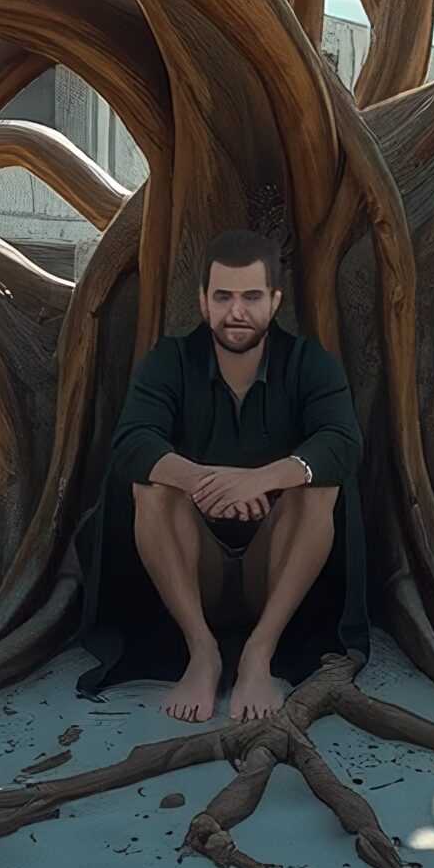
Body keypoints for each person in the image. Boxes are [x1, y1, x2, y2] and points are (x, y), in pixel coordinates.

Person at [70, 228, 368, 723]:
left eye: (252, 296)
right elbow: (130, 441)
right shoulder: (169, 360)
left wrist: (264, 479)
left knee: (318, 487)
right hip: (190, 568)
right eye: (224, 296)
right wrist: (199, 482)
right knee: (151, 485)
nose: (237, 311)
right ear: (203, 301)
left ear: (275, 301)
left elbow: (342, 443)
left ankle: (257, 655)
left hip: (275, 569)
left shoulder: (309, 362)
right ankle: (203, 653)